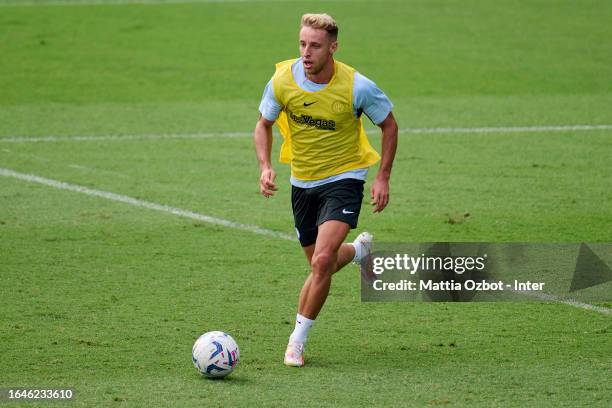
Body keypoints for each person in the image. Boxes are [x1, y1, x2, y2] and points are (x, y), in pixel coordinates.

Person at [253, 13, 398, 367]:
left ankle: (296, 343)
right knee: (325, 264)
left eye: (315, 46)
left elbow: (390, 125)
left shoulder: (357, 86)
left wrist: (382, 177)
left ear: (332, 48)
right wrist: (266, 166)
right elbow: (263, 124)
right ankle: (360, 252)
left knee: (320, 263)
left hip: (344, 178)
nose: (306, 52)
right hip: (302, 183)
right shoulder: (282, 80)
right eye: (302, 44)